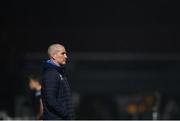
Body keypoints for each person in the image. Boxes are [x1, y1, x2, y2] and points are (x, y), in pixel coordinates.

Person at [41, 43, 74, 120]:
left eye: (65, 53)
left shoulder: (59, 73)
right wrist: (66, 114)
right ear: (53, 56)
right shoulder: (51, 74)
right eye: (63, 53)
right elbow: (51, 100)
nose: (66, 56)